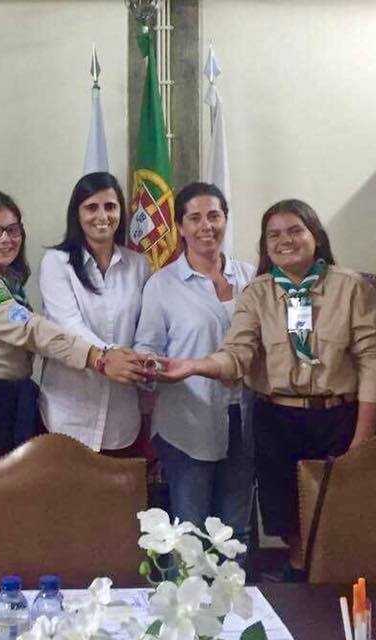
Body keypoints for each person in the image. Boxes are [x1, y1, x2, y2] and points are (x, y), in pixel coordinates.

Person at [159, 198, 376, 580]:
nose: (285, 241)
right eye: (274, 235)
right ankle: (300, 595)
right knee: (288, 524)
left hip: (339, 418)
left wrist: (363, 436)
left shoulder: (352, 288)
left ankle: (339, 601)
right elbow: (237, 354)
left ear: (316, 235)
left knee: (340, 522)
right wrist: (195, 366)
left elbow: (373, 363)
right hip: (277, 421)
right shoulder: (257, 292)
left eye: (295, 231)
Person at [0, 190, 148, 574]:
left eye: (13, 230)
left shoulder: (4, 281)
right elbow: (29, 330)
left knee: (2, 514)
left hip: (7, 403)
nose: (5, 239)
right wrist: (98, 358)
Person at [134, 182, 257, 560]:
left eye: (214, 216)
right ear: (180, 227)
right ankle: (185, 599)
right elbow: (147, 348)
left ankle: (234, 599)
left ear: (225, 220)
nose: (207, 226)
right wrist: (154, 367)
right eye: (195, 218)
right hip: (187, 424)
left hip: (245, 420)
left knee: (235, 532)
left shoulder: (251, 277)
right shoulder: (162, 284)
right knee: (189, 532)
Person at [38, 172, 150, 454]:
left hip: (121, 416)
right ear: (77, 214)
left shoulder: (138, 265)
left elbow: (144, 327)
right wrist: (109, 356)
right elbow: (67, 325)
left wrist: (144, 362)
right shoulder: (56, 262)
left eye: (110, 207)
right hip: (67, 413)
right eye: (91, 207)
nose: (102, 216)